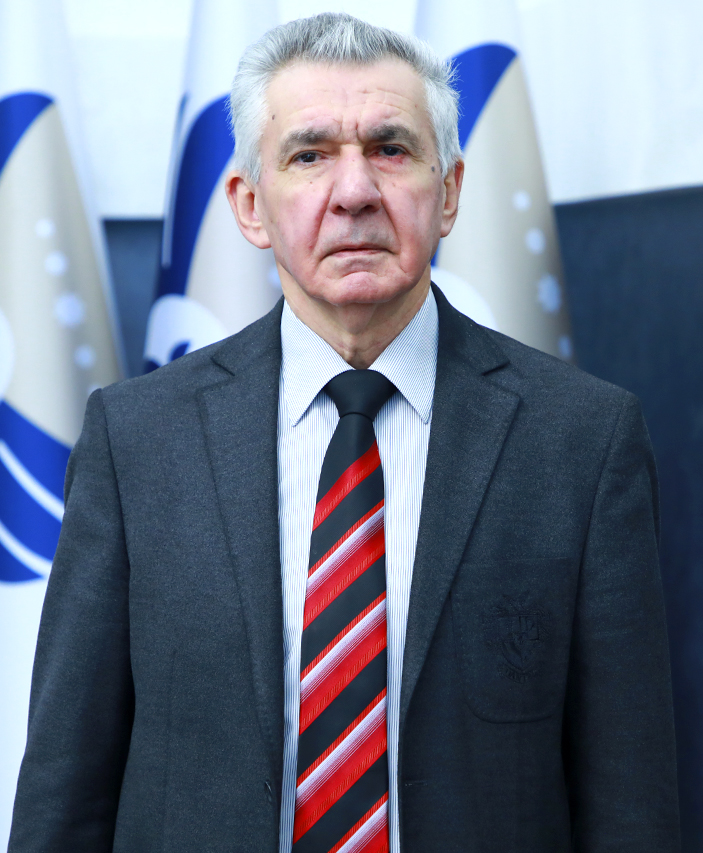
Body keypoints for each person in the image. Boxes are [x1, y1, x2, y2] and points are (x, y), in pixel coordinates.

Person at [9, 13, 679, 853]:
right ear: (249, 205)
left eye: (390, 149)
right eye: (309, 155)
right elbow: (64, 793)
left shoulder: (583, 439)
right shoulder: (136, 440)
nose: (354, 191)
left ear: (450, 192)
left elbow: (630, 803)